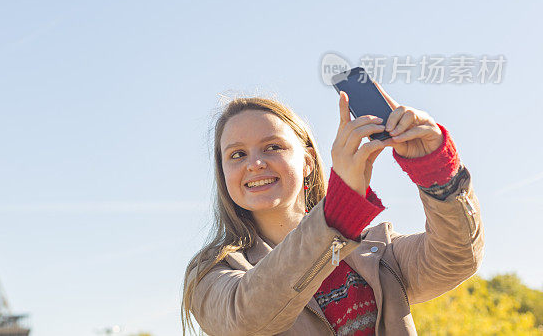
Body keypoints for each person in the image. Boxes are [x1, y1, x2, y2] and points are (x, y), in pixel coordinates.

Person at [181, 90, 483, 335]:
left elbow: (456, 257)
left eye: (272, 147)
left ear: (308, 162)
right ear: (223, 173)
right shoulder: (210, 273)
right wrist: (340, 210)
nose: (255, 163)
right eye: (237, 154)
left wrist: (435, 169)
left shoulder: (377, 252)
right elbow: (247, 319)